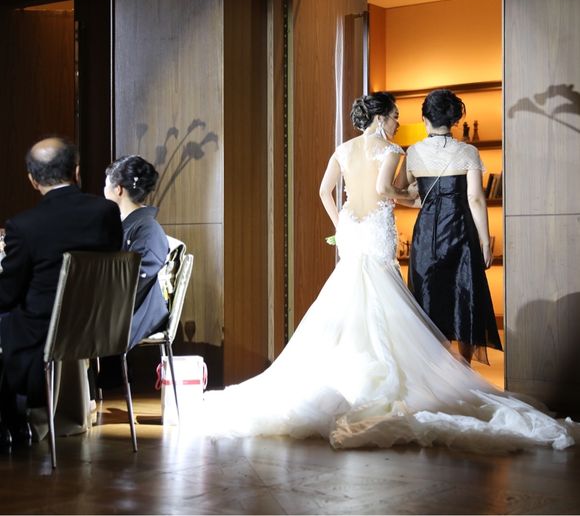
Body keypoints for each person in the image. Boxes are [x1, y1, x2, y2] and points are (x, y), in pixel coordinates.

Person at [193, 92, 577, 453]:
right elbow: (395, 190)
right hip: (393, 230)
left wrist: (343, 225)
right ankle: (398, 371)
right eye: (394, 117)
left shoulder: (352, 149)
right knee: (389, 297)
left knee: (350, 301)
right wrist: (414, 201)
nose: (397, 123)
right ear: (380, 118)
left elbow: (325, 191)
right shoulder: (400, 150)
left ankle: (351, 372)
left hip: (356, 229)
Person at [0, 137, 123, 448]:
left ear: (32, 180)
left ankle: (13, 420)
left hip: (44, 331)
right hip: (98, 327)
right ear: (76, 172)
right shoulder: (107, 212)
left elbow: (7, 295)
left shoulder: (23, 226)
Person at [396, 89, 502, 365]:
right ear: (454, 120)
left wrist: (421, 202)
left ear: (425, 119)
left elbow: (399, 192)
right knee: (465, 294)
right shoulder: (468, 152)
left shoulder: (413, 152)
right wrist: (485, 242)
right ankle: (464, 366)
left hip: (426, 234)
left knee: (429, 296)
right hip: (461, 232)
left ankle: (438, 367)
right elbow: (475, 198)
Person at [103, 155, 169, 349]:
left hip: (135, 310)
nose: (104, 191)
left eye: (106, 185)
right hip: (119, 302)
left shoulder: (148, 229)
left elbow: (137, 277)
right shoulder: (124, 225)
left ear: (118, 189)